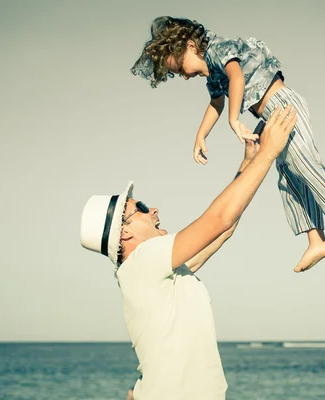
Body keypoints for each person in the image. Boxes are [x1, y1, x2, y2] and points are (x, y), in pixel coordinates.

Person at [80, 106, 297, 399]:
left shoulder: (156, 272)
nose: (153, 209)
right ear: (124, 233)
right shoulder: (144, 261)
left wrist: (250, 160)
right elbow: (217, 219)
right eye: (141, 208)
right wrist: (268, 153)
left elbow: (224, 227)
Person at [131, 16, 325, 273]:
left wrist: (234, 119)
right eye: (177, 74)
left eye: (179, 68)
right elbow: (216, 103)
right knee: (289, 177)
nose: (184, 76)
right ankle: (316, 239)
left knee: (304, 162)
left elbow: (237, 78)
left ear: (190, 46)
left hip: (283, 105)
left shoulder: (218, 49)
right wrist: (201, 135)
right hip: (270, 117)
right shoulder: (211, 74)